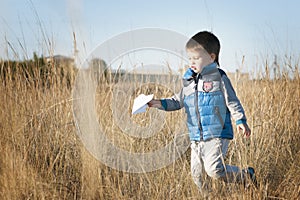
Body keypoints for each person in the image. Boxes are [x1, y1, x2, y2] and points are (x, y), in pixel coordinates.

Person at [148, 31, 257, 196]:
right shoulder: (189, 82)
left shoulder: (219, 77)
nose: (191, 62)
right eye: (190, 58)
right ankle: (208, 196)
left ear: (211, 57)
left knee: (214, 170)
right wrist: (159, 103)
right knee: (197, 176)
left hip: (217, 133)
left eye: (196, 58)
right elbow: (177, 101)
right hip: (196, 137)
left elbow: (232, 101)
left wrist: (240, 120)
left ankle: (246, 176)